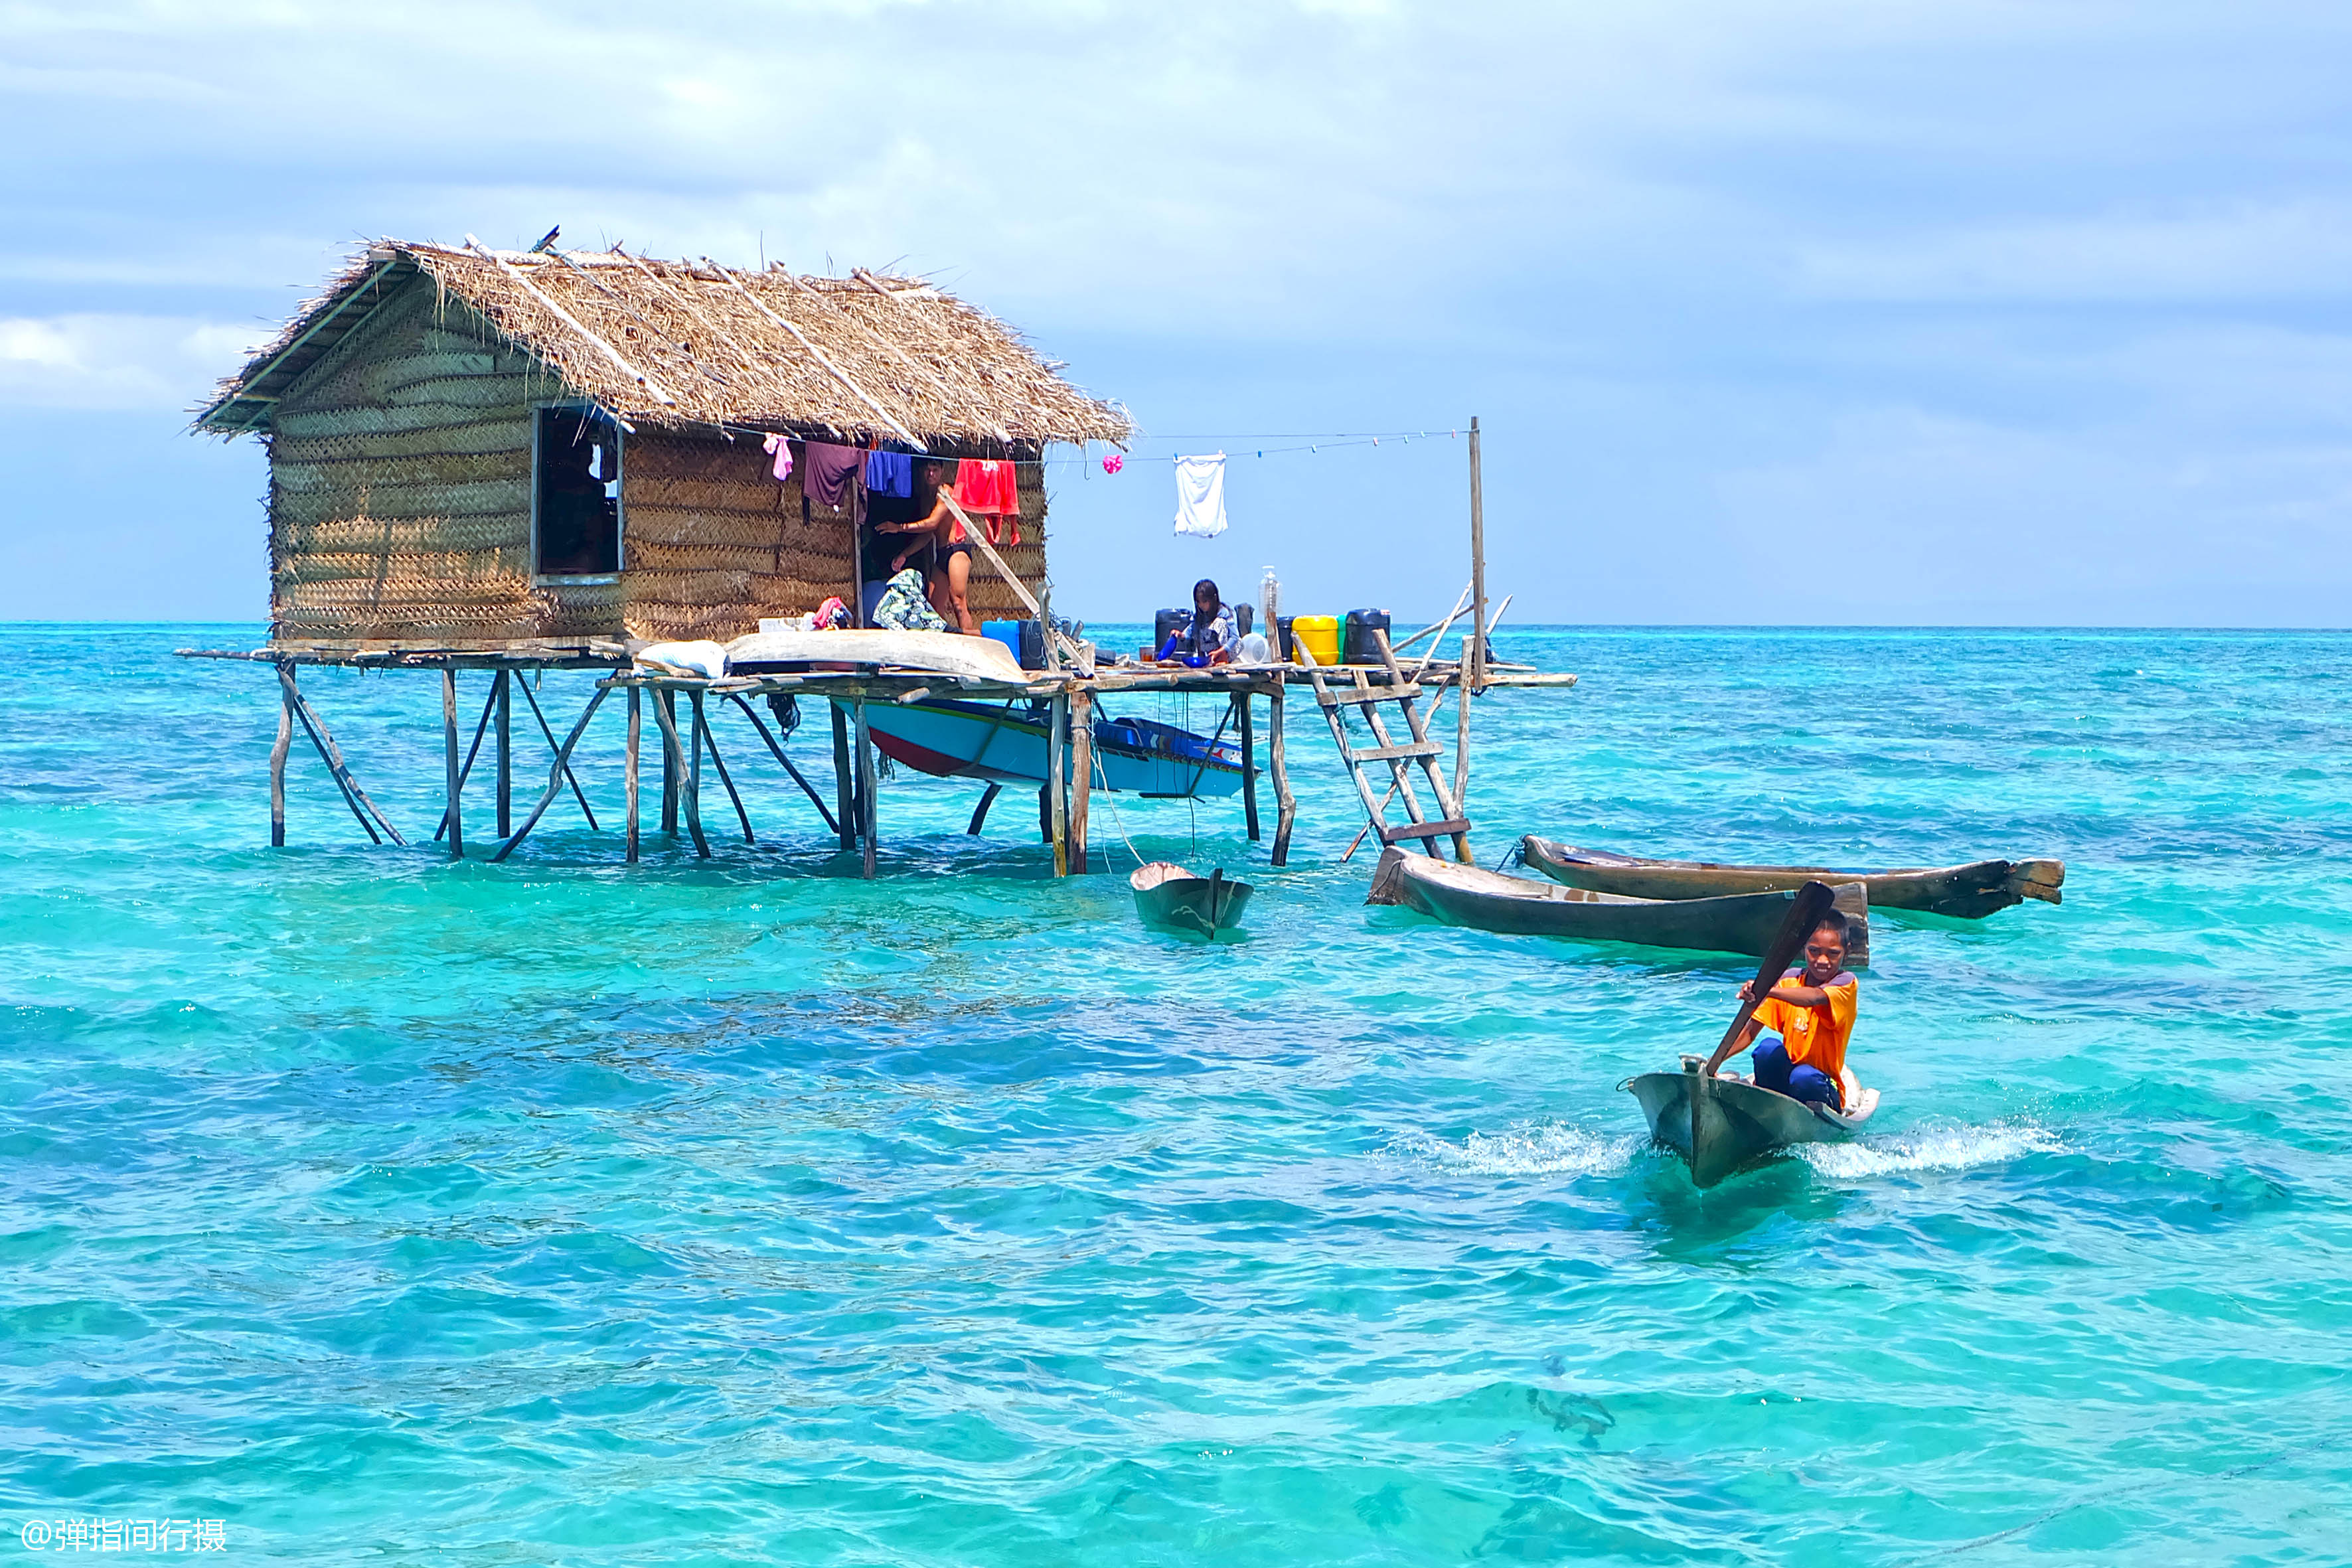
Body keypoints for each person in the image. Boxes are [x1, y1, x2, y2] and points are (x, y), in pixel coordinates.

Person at [1703, 915, 1859, 1109]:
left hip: (1819, 1084)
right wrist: (1714, 1063)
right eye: (1814, 951)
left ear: (1847, 951)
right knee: (1768, 1049)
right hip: (1789, 1077)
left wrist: (1765, 989)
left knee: (1803, 1077)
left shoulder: (1846, 983)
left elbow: (1814, 997)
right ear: (1804, 947)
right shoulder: (1789, 980)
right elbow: (1750, 1031)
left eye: (1833, 954)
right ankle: (1770, 1108)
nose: (1822, 960)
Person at [874, 461, 980, 635]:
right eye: (928, 471)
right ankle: (943, 646)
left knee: (959, 602)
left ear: (942, 472)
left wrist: (899, 527)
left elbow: (932, 522)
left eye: (935, 471)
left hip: (957, 550)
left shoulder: (945, 493)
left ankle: (971, 643)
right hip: (941, 554)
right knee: (934, 607)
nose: (931, 475)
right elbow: (928, 534)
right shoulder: (927, 498)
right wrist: (905, 554)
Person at [1157, 578, 1239, 666]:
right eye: (1199, 602)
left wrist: (1220, 651)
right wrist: (1181, 635)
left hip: (1229, 650)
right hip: (1212, 653)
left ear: (1214, 599)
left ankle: (1222, 659)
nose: (1201, 605)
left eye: (1205, 602)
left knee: (1219, 623)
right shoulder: (1199, 616)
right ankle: (1206, 659)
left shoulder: (1223, 613)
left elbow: (1235, 637)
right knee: (1200, 629)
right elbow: (1191, 630)